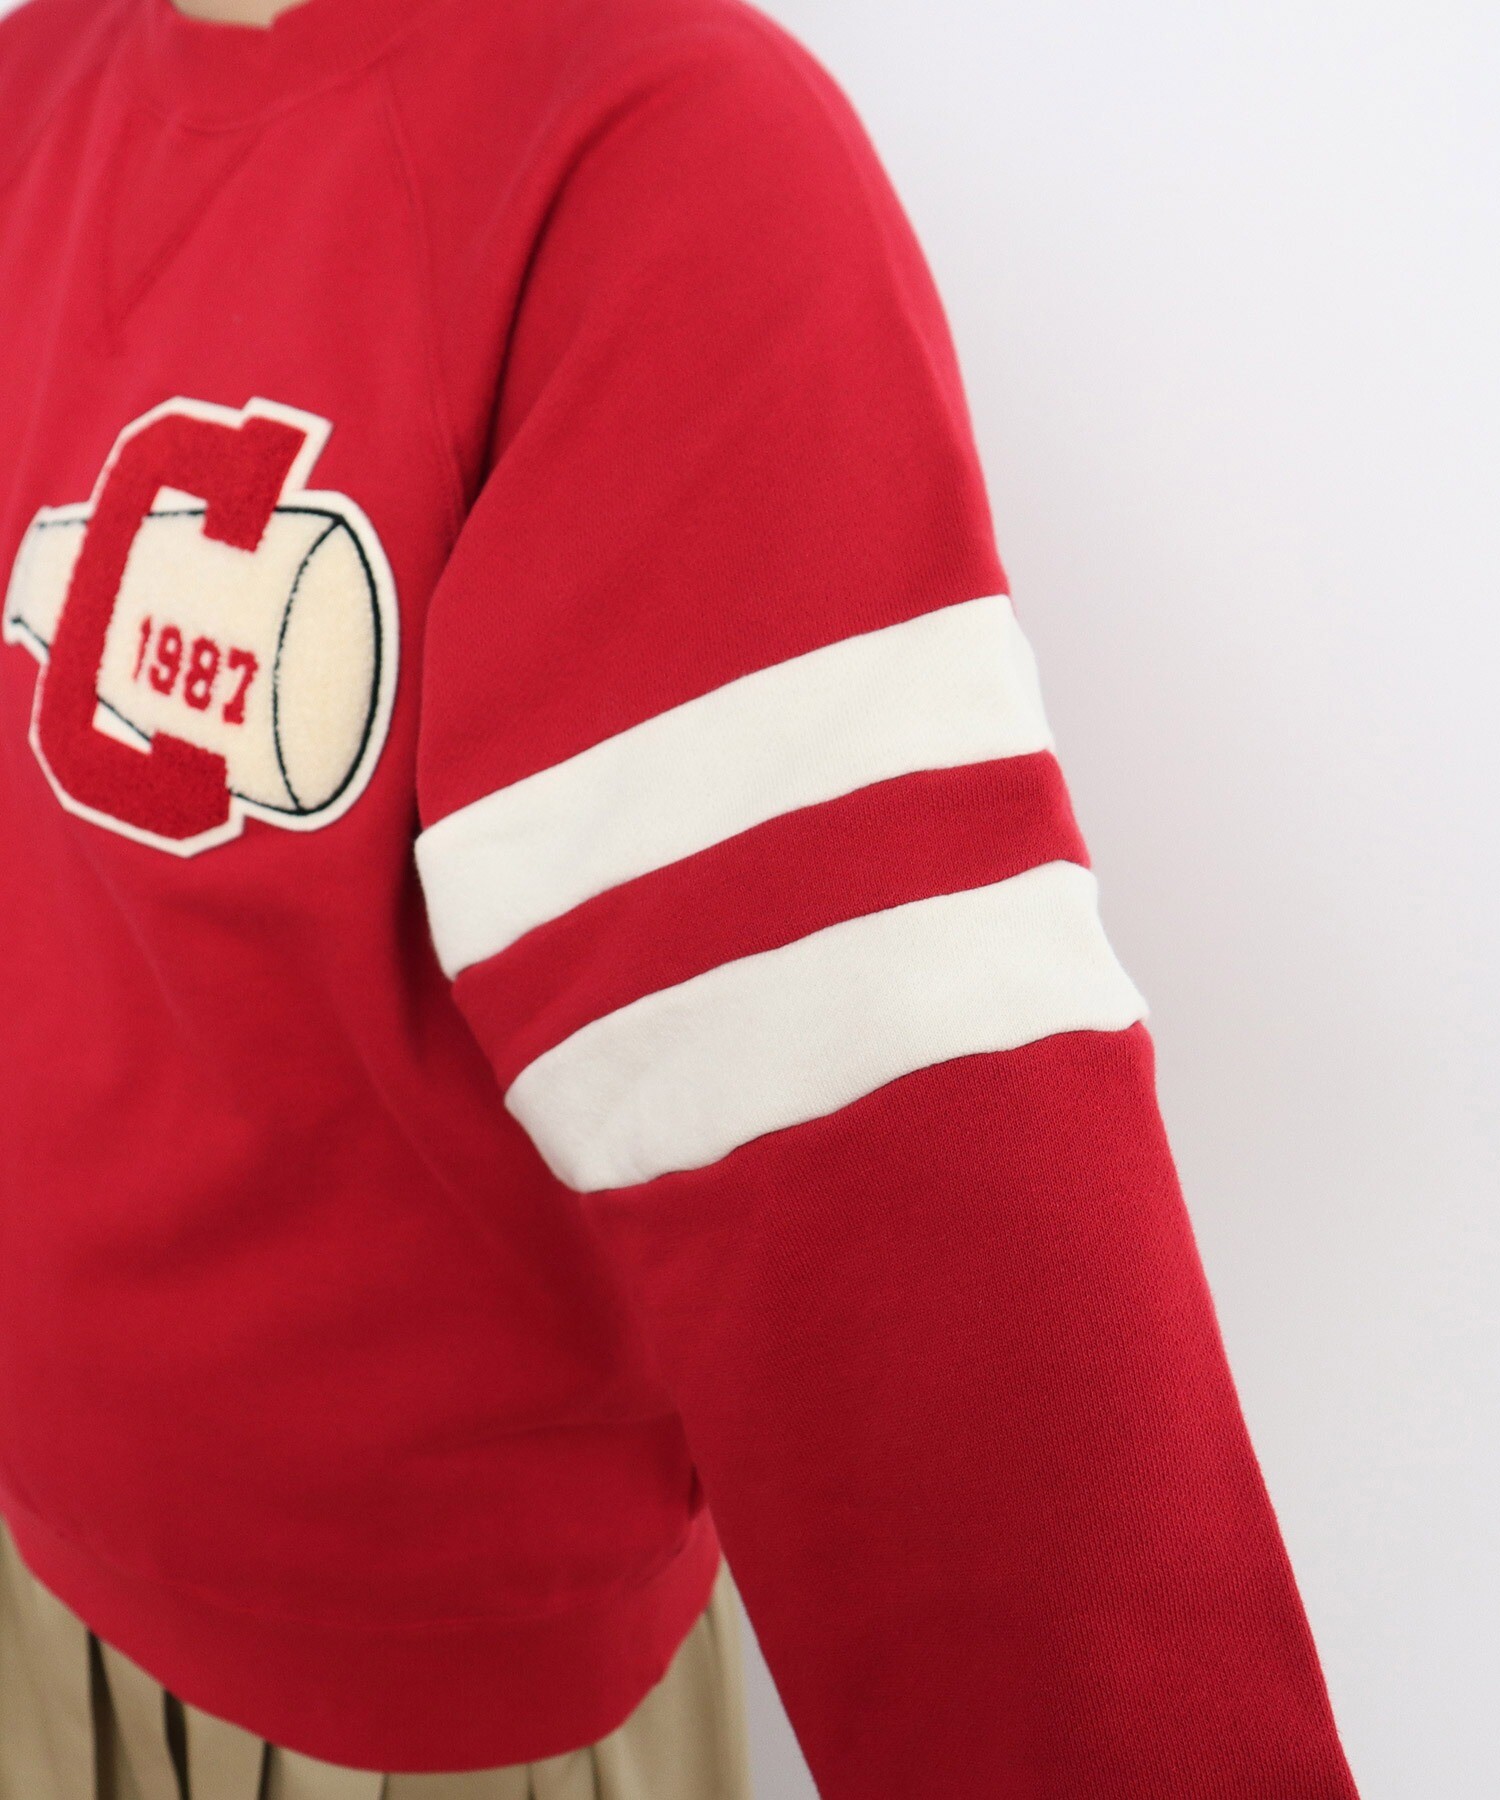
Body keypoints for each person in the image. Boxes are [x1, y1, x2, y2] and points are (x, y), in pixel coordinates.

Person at [0, 0, 1364, 1792]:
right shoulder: (28, 88)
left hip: (423, 1705)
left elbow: (895, 1165)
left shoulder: (654, 146)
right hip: (28, 1556)